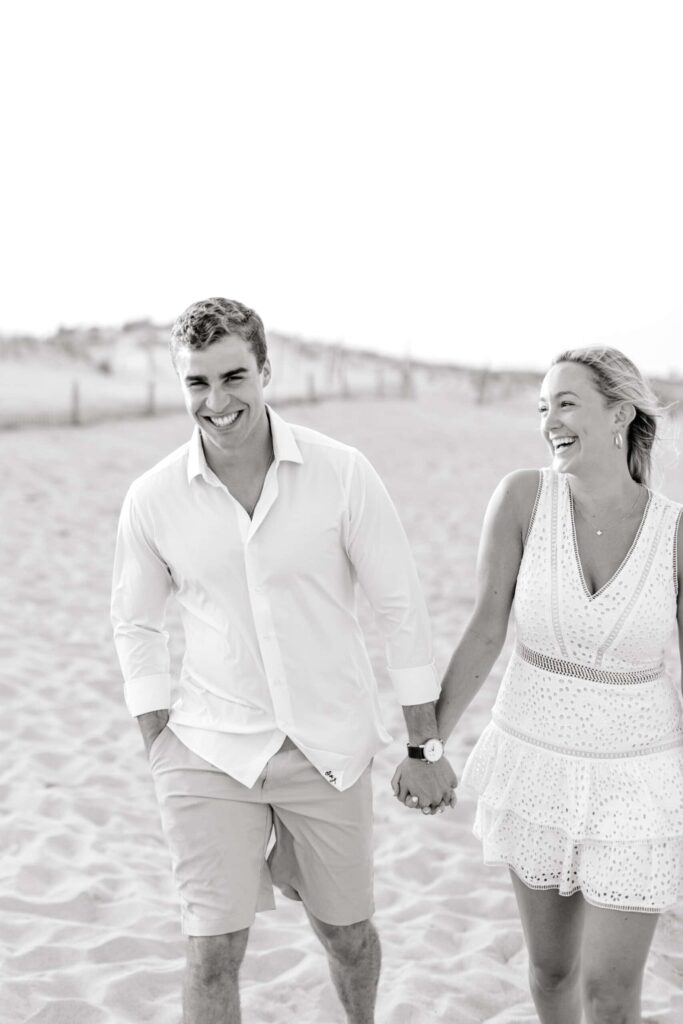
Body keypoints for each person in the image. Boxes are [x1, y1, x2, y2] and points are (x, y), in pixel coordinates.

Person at [110, 296, 456, 1024]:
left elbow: (400, 609)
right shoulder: (152, 499)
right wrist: (156, 741)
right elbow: (134, 622)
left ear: (266, 370)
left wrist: (423, 744)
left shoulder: (342, 473)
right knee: (211, 952)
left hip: (326, 747)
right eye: (196, 383)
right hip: (207, 751)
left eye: (233, 377)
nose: (217, 400)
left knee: (347, 937)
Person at [431, 347, 683, 1024]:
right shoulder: (521, 498)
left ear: (618, 414)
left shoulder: (674, 531)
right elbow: (485, 628)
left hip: (638, 778)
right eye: (542, 407)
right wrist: (426, 745)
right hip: (534, 761)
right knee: (550, 973)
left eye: (565, 403)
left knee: (607, 992)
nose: (549, 422)